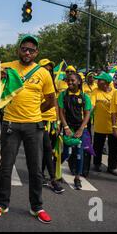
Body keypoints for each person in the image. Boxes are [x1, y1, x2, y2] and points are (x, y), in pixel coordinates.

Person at [0, 34, 55, 224]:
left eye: (31, 50)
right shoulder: (6, 67)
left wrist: (35, 112)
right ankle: (2, 203)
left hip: (34, 126)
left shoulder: (43, 73)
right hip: (10, 123)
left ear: (37, 53)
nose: (27, 52)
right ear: (19, 50)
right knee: (6, 167)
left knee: (35, 170)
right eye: (24, 48)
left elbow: (50, 100)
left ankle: (37, 207)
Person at [58, 73, 92, 190]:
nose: (70, 82)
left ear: (79, 82)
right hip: (68, 127)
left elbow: (87, 114)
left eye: (72, 80)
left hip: (80, 128)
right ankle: (54, 171)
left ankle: (77, 178)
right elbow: (61, 112)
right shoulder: (63, 95)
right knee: (66, 153)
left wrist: (81, 129)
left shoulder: (84, 97)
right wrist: (66, 128)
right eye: (68, 80)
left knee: (78, 153)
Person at [39, 59, 64, 194]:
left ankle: (42, 174)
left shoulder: (53, 85)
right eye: (45, 69)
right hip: (40, 122)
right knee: (47, 149)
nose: (48, 71)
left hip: (53, 123)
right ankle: (53, 179)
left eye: (50, 69)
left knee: (50, 150)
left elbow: (56, 105)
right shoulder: (36, 84)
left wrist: (58, 121)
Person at [91, 72, 117, 175]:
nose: (97, 82)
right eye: (97, 80)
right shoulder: (95, 92)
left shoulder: (116, 93)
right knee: (98, 146)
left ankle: (112, 167)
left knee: (113, 147)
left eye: (99, 80)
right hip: (100, 125)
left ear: (107, 83)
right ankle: (97, 164)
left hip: (114, 126)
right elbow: (91, 106)